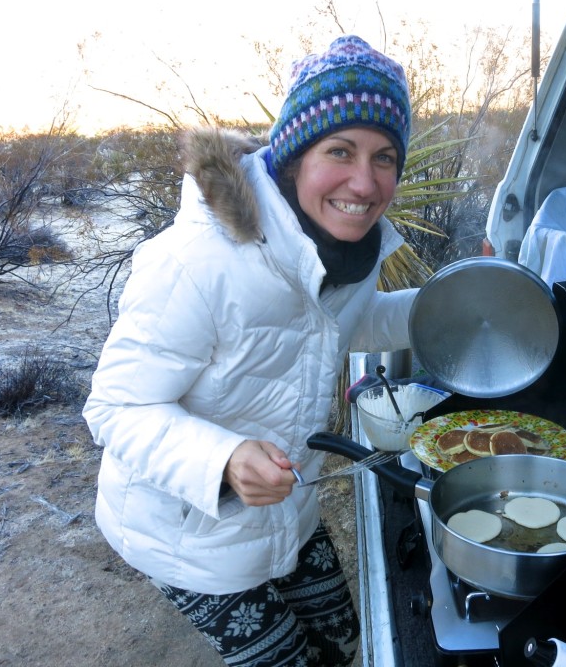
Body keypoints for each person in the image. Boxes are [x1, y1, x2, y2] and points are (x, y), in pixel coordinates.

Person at [82, 35, 417, 667]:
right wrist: (223, 459)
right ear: (293, 157)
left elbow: (348, 323)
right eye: (339, 150)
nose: (365, 181)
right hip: (188, 531)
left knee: (348, 643)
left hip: (286, 506)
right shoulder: (196, 262)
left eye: (385, 157)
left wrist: (452, 310)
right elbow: (116, 408)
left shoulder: (343, 247)